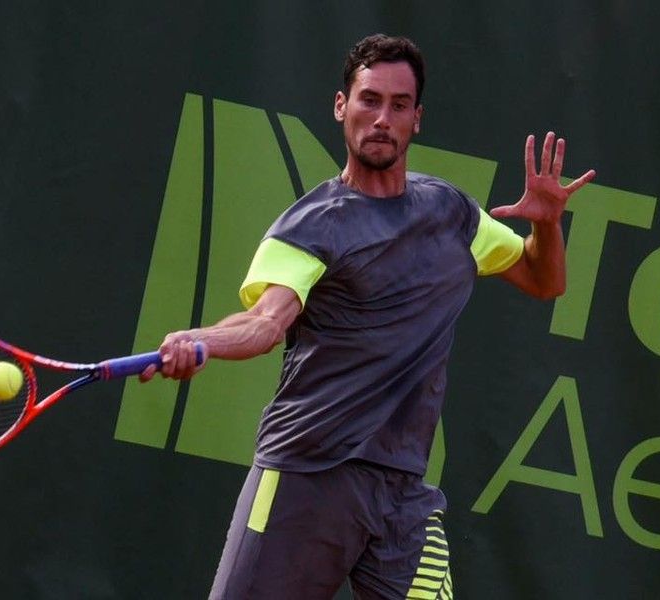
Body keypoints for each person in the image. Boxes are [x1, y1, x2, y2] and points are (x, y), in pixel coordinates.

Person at [139, 34, 595, 600]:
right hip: (307, 475)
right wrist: (199, 342)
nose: (382, 118)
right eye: (369, 100)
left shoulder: (451, 215)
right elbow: (263, 322)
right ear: (341, 106)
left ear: (417, 119)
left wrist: (547, 225)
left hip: (403, 494)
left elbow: (545, 280)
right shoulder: (308, 228)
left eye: (398, 105)